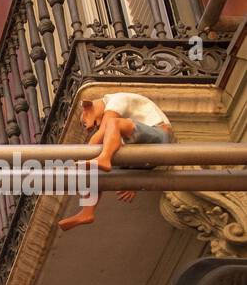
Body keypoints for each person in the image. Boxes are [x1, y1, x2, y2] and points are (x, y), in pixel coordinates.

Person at [58, 93, 175, 231]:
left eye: (87, 122)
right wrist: (134, 184)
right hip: (145, 154)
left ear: (87, 108)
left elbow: (102, 132)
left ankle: (104, 157)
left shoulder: (116, 100)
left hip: (160, 135)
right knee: (98, 171)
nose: (90, 128)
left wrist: (83, 157)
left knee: (113, 124)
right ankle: (87, 211)